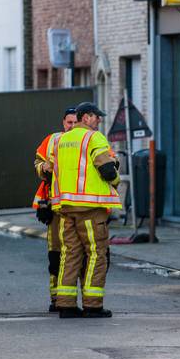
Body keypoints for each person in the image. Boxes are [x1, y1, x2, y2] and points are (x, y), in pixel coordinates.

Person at [50, 101, 121, 319]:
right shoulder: (93, 137)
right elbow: (106, 168)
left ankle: (66, 304)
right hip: (90, 208)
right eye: (96, 117)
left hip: (66, 207)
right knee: (96, 255)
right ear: (86, 117)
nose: (99, 120)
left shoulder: (61, 140)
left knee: (70, 255)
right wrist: (116, 180)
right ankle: (92, 305)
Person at [32, 106, 77, 312]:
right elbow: (38, 163)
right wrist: (44, 168)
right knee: (56, 254)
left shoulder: (90, 140)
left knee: (80, 255)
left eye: (76, 122)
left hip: (82, 208)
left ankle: (84, 301)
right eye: (69, 122)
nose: (73, 126)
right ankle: (57, 298)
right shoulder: (52, 140)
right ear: (63, 123)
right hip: (56, 207)